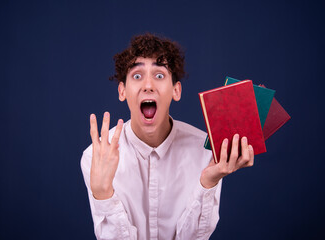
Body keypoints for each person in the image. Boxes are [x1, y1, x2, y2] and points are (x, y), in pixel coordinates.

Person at [80, 33, 254, 240]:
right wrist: (103, 195)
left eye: (159, 75)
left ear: (176, 91)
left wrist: (208, 181)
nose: (148, 85)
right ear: (122, 91)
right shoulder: (95, 158)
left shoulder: (205, 151)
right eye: (137, 76)